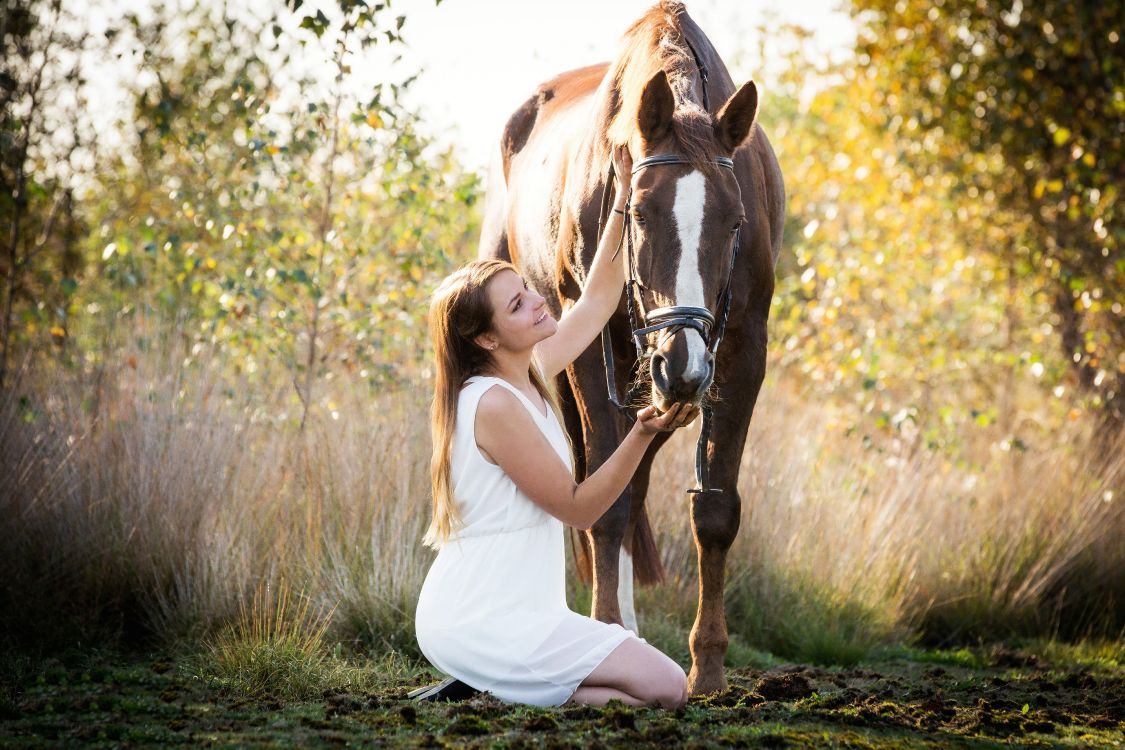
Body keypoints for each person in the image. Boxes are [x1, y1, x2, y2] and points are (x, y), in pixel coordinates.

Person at [415, 145, 698, 709]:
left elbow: (597, 302)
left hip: (526, 613)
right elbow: (578, 508)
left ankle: (491, 691)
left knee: (653, 692)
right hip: (482, 616)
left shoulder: (529, 373)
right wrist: (640, 436)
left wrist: (622, 198)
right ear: (486, 339)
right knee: (666, 688)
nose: (539, 303)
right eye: (518, 305)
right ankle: (493, 686)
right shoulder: (491, 404)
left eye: (527, 288)